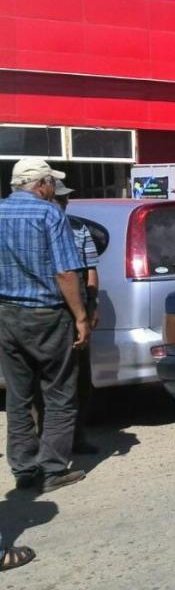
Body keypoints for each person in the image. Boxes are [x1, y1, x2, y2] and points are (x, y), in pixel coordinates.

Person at [0, 158, 89, 494]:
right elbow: (66, 272)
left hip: (7, 315)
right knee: (60, 394)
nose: (54, 188)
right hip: (47, 315)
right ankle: (51, 469)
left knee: (18, 396)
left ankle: (24, 469)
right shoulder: (50, 213)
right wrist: (80, 316)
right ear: (40, 184)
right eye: (52, 181)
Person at [51, 181, 100, 455]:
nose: (64, 203)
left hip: (77, 308)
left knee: (81, 379)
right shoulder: (40, 228)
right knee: (50, 380)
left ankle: (77, 436)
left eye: (66, 199)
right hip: (50, 310)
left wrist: (92, 304)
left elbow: (91, 269)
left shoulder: (79, 229)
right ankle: (46, 441)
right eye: (59, 199)